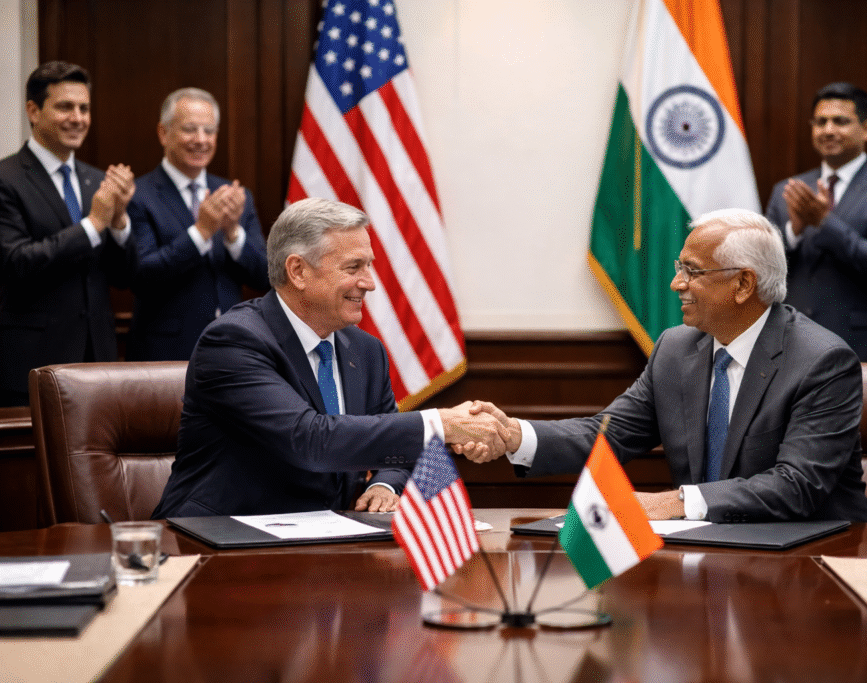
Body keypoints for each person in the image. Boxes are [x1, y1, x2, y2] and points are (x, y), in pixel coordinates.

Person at [459, 209, 867, 523]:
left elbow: (796, 485)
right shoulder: (676, 349)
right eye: (680, 269)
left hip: (814, 563)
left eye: (691, 272)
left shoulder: (821, 362)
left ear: (743, 284)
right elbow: (610, 433)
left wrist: (673, 501)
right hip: (706, 553)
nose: (676, 284)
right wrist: (515, 436)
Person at [152, 198, 509, 518]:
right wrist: (441, 424)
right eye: (353, 268)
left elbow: (393, 446)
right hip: (219, 544)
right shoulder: (234, 342)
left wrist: (383, 485)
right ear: (298, 271)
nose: (369, 283)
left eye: (369, 266)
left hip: (324, 548)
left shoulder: (366, 352)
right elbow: (309, 440)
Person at [0, 61, 135, 407]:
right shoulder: (7, 179)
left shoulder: (96, 180)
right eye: (65, 107)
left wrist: (119, 222)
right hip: (34, 364)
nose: (77, 118)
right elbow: (17, 263)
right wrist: (93, 224)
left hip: (99, 361)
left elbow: (123, 276)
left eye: (84, 108)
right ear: (33, 110)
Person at [765, 82, 867, 362]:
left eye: (840, 121)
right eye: (821, 122)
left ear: (866, 129)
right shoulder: (787, 189)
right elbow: (762, 266)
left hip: (860, 344)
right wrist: (794, 230)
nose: (828, 130)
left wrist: (823, 221)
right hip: (791, 342)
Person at [126, 88, 269, 361]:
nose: (201, 140)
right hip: (165, 353)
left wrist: (232, 233)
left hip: (231, 348)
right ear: (163, 133)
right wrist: (201, 231)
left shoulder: (234, 194)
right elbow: (142, 276)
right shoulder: (138, 196)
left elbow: (264, 274)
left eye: (209, 130)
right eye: (190, 129)